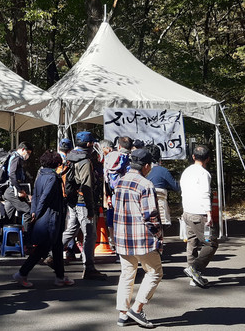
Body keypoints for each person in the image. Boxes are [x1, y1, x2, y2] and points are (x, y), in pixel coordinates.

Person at [114, 149, 163, 329]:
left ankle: (123, 313)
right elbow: (151, 215)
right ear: (147, 166)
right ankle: (137, 307)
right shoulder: (145, 184)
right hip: (142, 238)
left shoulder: (120, 181)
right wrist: (158, 235)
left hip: (122, 237)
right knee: (155, 272)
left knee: (127, 274)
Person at [13, 150, 73, 288]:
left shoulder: (41, 175)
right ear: (56, 163)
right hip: (51, 217)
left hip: (44, 217)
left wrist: (34, 212)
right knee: (43, 247)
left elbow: (35, 195)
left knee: (57, 246)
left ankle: (60, 276)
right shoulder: (53, 177)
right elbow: (45, 198)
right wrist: (37, 213)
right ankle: (22, 273)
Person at [61, 131, 107, 280]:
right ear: (89, 144)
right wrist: (90, 208)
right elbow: (87, 186)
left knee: (71, 229)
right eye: (92, 143)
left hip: (71, 200)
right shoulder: (85, 161)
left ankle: (51, 253)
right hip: (83, 202)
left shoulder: (69, 157)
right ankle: (89, 267)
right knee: (90, 234)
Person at [180, 145, 218, 288]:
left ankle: (194, 277)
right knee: (211, 243)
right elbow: (205, 194)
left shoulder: (186, 172)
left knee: (192, 243)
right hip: (199, 213)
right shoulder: (204, 174)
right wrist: (209, 214)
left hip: (187, 212)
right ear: (208, 159)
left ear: (193, 157)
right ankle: (195, 269)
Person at [145, 144, 180, 227]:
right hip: (160, 209)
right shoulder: (163, 171)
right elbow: (176, 187)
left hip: (144, 208)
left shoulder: (142, 171)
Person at [2, 141, 33, 228]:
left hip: (9, 191)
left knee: (8, 217)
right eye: (28, 153)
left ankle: (6, 239)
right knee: (28, 211)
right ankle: (26, 237)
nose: (28, 156)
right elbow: (12, 174)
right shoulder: (16, 158)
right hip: (13, 191)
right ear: (23, 149)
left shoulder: (12, 156)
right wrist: (19, 190)